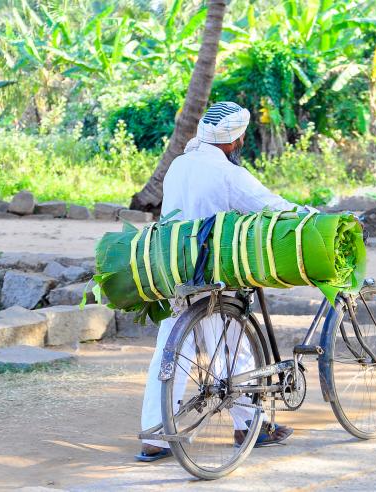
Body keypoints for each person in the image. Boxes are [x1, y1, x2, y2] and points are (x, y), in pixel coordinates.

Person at [136, 101, 297, 462]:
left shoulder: (180, 164)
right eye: (240, 137)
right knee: (232, 347)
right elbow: (272, 206)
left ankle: (155, 436)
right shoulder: (229, 173)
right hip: (212, 273)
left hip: (173, 267)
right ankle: (248, 426)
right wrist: (316, 217)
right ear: (234, 139)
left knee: (170, 351)